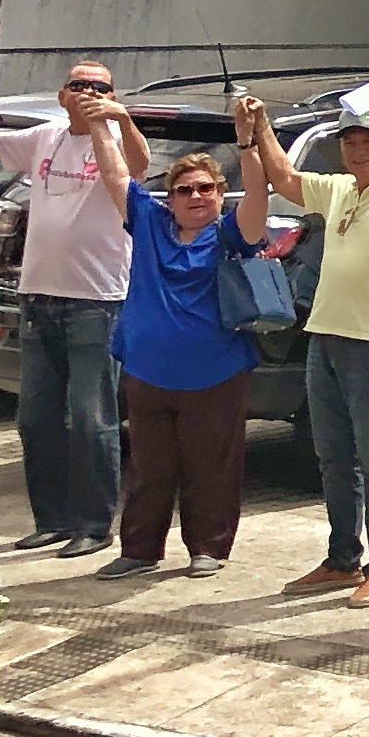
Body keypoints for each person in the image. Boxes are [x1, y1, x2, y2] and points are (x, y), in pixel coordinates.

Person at [241, 87, 369, 608]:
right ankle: (342, 559)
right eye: (349, 140)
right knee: (333, 456)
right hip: (326, 338)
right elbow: (287, 181)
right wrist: (263, 124)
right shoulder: (339, 188)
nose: (358, 149)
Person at [83, 100, 280, 579]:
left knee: (210, 469)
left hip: (216, 374)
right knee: (150, 471)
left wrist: (248, 140)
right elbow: (115, 179)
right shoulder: (149, 224)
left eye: (206, 189)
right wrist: (98, 126)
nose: (195, 196)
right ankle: (139, 551)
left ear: (219, 194)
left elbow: (258, 196)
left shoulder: (232, 235)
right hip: (146, 372)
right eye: (184, 190)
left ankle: (207, 548)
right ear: (169, 198)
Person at [0, 60, 147, 557]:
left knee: (91, 419)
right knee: (36, 418)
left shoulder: (117, 136)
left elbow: (139, 167)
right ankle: (52, 519)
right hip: (38, 297)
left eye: (98, 86)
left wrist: (119, 118)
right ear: (62, 94)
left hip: (97, 302)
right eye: (78, 85)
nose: (87, 92)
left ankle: (93, 523)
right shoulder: (46, 136)